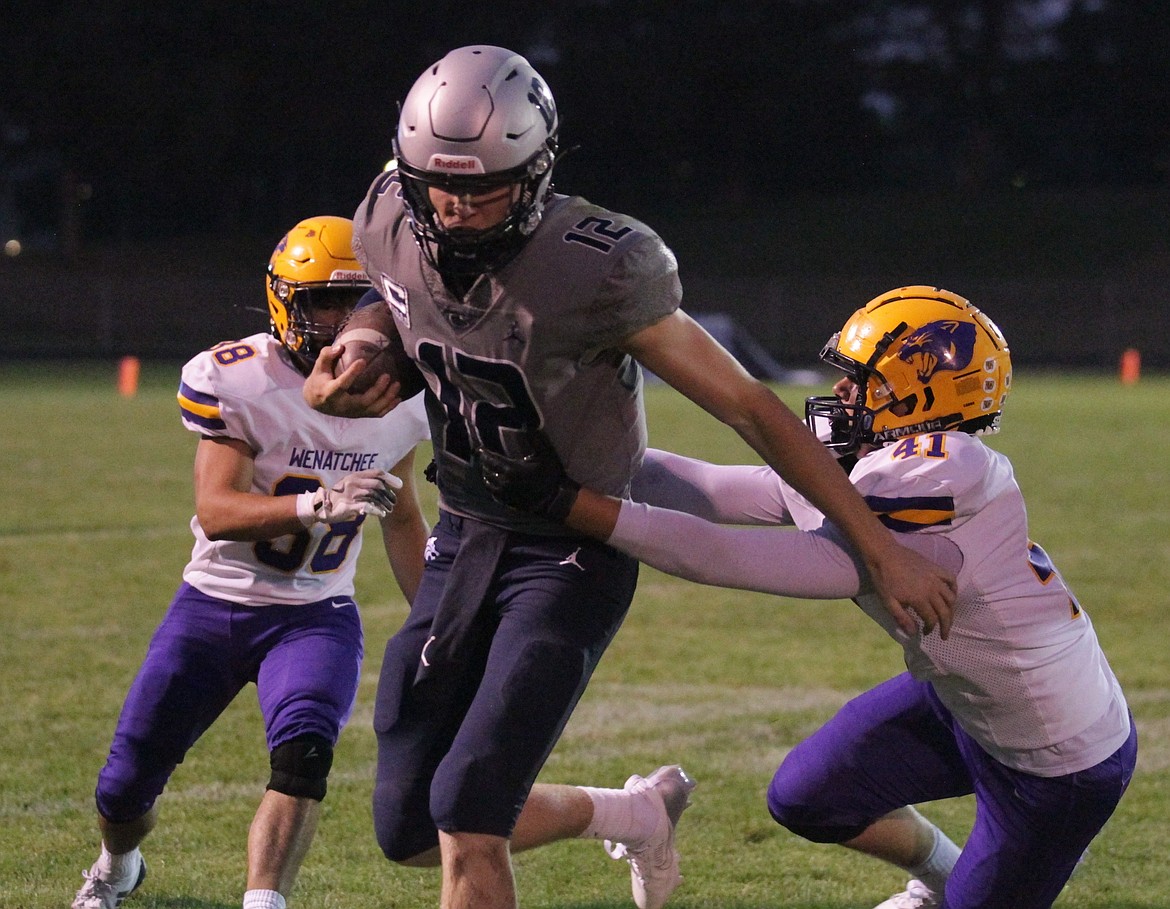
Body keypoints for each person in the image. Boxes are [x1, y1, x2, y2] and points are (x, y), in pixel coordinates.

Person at [302, 45, 956, 909]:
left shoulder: (597, 263)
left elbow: (751, 408)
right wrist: (363, 342)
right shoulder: (391, 205)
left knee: (467, 806)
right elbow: (390, 287)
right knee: (408, 828)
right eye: (440, 188)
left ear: (536, 171)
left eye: (485, 188)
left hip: (570, 550)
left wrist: (878, 546)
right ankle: (633, 811)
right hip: (465, 532)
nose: (458, 211)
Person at [477, 286, 1137, 909]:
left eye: (865, 380)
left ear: (920, 395)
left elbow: (719, 553)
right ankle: (941, 875)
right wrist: (577, 457)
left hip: (1056, 761)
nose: (843, 391)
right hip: (966, 701)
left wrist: (566, 502)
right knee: (807, 797)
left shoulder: (941, 480)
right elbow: (719, 488)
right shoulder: (888, 460)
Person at [71, 216, 431, 909]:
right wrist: (316, 504)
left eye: (356, 302)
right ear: (284, 302)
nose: (340, 323)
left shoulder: (400, 394)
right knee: (122, 788)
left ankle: (266, 901)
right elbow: (216, 509)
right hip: (214, 604)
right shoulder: (239, 378)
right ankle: (119, 864)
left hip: (314, 614)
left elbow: (406, 516)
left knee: (303, 760)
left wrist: (435, 625)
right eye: (323, 302)